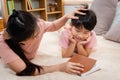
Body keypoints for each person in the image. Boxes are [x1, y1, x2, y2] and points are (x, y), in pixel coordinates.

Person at [0, 9, 86, 76]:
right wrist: (60, 67)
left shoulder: (38, 24)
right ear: (20, 41)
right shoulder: (3, 44)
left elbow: (53, 25)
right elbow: (25, 70)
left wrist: (66, 17)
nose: (38, 36)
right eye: (34, 37)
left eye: (38, 32)